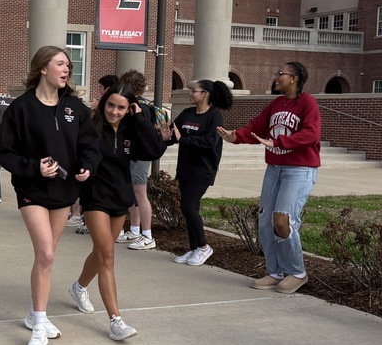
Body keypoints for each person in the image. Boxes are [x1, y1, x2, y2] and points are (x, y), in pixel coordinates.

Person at [0, 46, 101, 345]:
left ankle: (33, 313)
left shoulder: (76, 108)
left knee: (47, 257)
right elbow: (4, 152)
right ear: (43, 68)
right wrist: (33, 167)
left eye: (68, 65)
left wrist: (87, 166)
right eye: (60, 64)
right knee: (46, 253)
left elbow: (90, 145)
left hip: (64, 192)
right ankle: (39, 325)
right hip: (32, 190)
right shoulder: (21, 108)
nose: (67, 69)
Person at [70, 83, 169, 341]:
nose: (114, 111)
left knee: (101, 252)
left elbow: (154, 150)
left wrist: (139, 119)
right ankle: (116, 321)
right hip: (94, 196)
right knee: (108, 256)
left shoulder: (131, 128)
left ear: (129, 108)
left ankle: (79, 287)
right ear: (104, 103)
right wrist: (82, 169)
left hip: (119, 197)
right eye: (111, 105)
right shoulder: (91, 125)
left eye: (121, 107)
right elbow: (80, 153)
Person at [218, 61, 321, 294]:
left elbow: (312, 134)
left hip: (299, 169)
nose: (277, 77)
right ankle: (275, 272)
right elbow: (257, 127)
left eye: (280, 74)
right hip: (275, 168)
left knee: (283, 220)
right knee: (266, 220)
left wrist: (278, 142)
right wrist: (236, 136)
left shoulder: (308, 103)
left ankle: (297, 272)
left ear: (294, 78)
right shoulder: (276, 104)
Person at [168, 79, 234, 266]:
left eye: (194, 91)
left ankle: (204, 247)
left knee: (188, 207)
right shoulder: (187, 113)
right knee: (191, 209)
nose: (191, 93)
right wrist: (165, 136)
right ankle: (193, 248)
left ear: (205, 94)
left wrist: (183, 140)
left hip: (203, 169)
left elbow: (211, 141)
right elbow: (174, 134)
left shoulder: (214, 116)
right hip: (185, 168)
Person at [116, 70, 157, 250]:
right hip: (134, 155)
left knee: (140, 194)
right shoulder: (141, 105)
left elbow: (141, 132)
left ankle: (147, 235)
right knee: (133, 193)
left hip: (139, 156)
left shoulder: (140, 108)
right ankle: (134, 230)